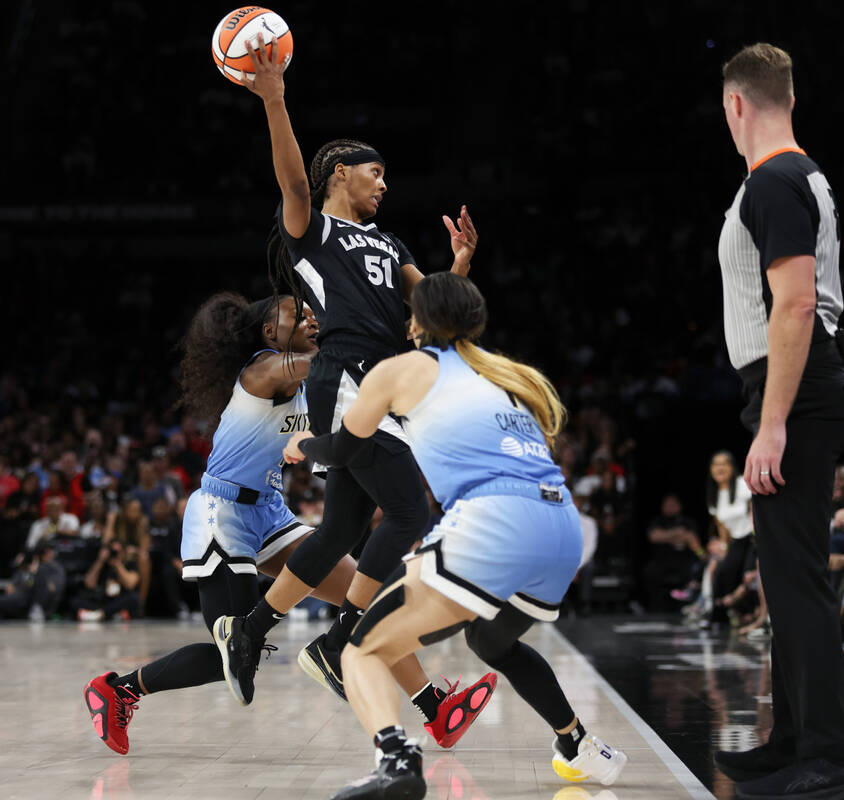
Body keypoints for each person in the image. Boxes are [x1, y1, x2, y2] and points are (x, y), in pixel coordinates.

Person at [215, 34, 489, 727]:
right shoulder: (315, 229)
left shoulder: (393, 245)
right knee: (408, 512)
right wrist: (274, 99)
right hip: (343, 377)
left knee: (339, 525)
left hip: (384, 378)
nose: (385, 185)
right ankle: (338, 642)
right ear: (342, 174)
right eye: (376, 174)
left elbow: (433, 315)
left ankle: (251, 629)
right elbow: (293, 182)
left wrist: (458, 264)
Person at [282, 273, 626, 799]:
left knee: (361, 650)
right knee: (490, 639)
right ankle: (578, 745)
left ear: (416, 321)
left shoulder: (397, 369)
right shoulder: (505, 373)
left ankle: (397, 761)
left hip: (495, 523)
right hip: (560, 528)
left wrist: (305, 445)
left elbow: (343, 452)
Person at [83, 292, 355, 754]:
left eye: (312, 312)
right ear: (270, 332)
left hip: (269, 512)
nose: (311, 317)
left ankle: (430, 703)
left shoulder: (315, 381)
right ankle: (117, 691)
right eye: (298, 313)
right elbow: (331, 362)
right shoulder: (264, 368)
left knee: (364, 590)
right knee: (228, 654)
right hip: (222, 513)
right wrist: (364, 327)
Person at [712, 43, 844, 798]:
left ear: (734, 104)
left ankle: (833, 761)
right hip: (801, 386)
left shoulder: (773, 181)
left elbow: (797, 303)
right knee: (786, 574)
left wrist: (771, 422)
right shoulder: (799, 175)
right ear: (790, 99)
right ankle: (796, 740)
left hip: (796, 391)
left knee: (799, 579)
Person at [708, 451, 754, 622]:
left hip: (753, 538)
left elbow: (754, 512)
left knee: (746, 574)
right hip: (736, 540)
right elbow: (722, 526)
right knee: (722, 571)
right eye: (715, 464)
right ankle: (719, 615)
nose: (720, 468)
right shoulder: (714, 495)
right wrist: (724, 547)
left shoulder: (742, 485)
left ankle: (749, 612)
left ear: (732, 467)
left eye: (724, 464)